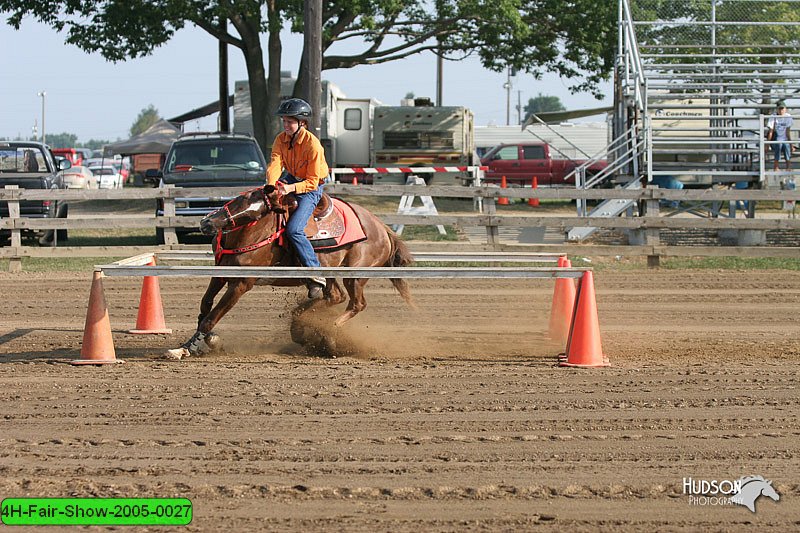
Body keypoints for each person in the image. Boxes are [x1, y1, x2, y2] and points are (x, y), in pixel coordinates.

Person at [266, 98, 329, 299]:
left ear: (302, 123)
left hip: (312, 187)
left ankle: (316, 273)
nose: (286, 125)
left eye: (290, 122)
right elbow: (276, 163)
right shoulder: (280, 139)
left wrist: (289, 188)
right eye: (284, 121)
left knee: (294, 229)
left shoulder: (313, 145)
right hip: (292, 177)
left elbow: (312, 181)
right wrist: (271, 184)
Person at [767, 100, 793, 171]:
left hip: (784, 140)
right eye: (779, 108)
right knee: (779, 144)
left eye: (782, 108)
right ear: (777, 109)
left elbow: (788, 132)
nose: (781, 110)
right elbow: (770, 132)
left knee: (786, 145)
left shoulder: (788, 117)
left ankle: (788, 166)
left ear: (785, 109)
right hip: (776, 139)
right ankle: (776, 166)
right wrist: (767, 145)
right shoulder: (773, 116)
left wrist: (791, 144)